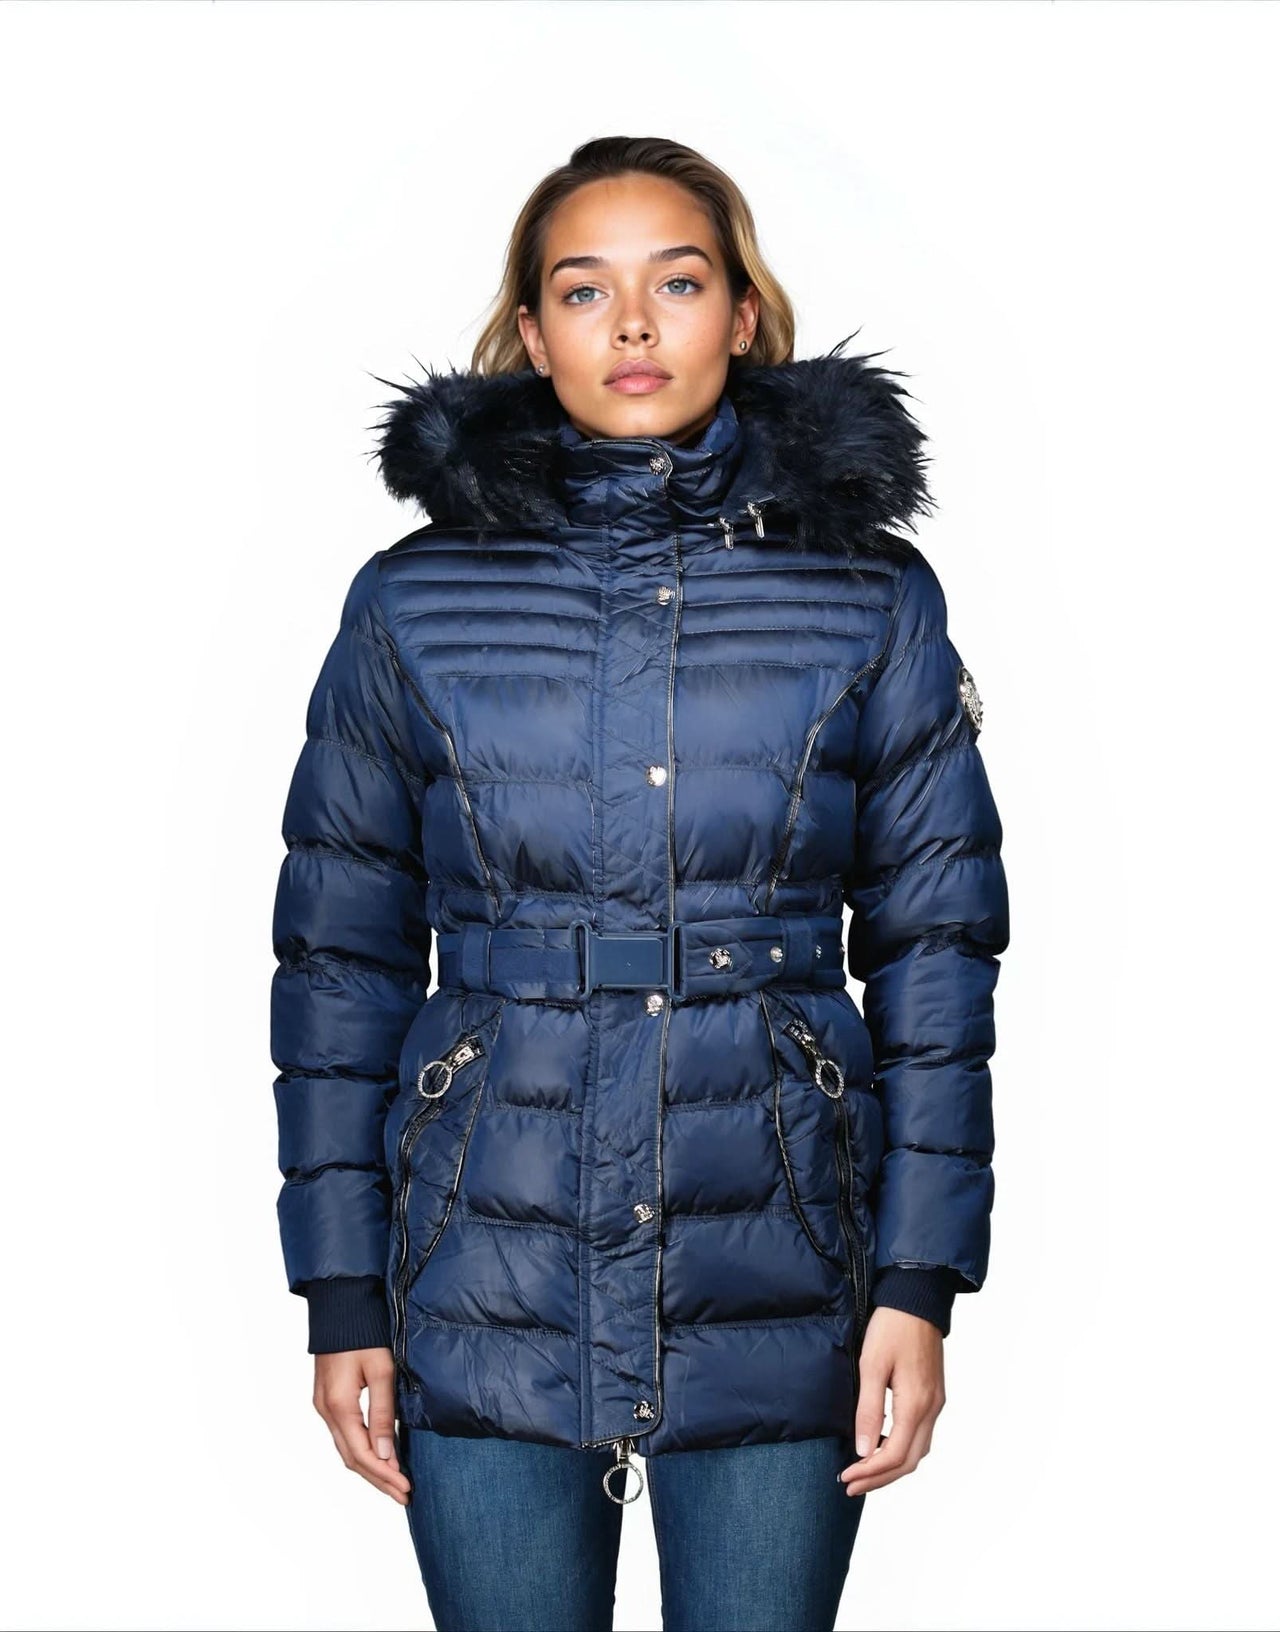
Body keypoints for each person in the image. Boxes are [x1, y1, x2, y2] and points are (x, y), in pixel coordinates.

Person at [270, 134, 1010, 1632]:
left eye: (676, 282)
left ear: (742, 310)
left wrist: (917, 1282)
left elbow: (937, 953)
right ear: (531, 330)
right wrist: (342, 1294)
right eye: (582, 289)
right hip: (482, 1257)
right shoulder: (415, 602)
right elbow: (338, 965)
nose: (630, 325)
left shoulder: (869, 594)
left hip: (781, 1252)